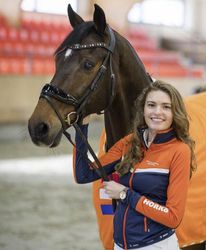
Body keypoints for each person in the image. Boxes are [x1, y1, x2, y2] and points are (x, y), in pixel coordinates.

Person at [73, 80, 196, 250]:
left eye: (166, 107)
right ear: (143, 109)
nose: (157, 112)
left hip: (156, 245)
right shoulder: (129, 142)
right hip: (120, 245)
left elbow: (173, 217)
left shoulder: (179, 151)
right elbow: (84, 175)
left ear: (175, 113)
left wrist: (124, 194)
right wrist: (82, 127)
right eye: (151, 105)